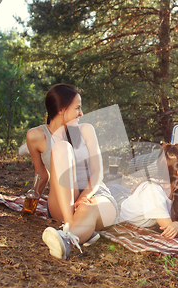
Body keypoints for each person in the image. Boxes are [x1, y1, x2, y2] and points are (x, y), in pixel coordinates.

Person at [25, 83, 118, 260]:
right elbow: (42, 174)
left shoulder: (85, 130)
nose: (81, 113)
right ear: (61, 109)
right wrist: (31, 201)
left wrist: (85, 197)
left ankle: (66, 239)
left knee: (87, 209)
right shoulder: (36, 136)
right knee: (60, 148)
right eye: (77, 108)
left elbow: (98, 171)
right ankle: (70, 225)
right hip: (62, 200)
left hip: (94, 192)